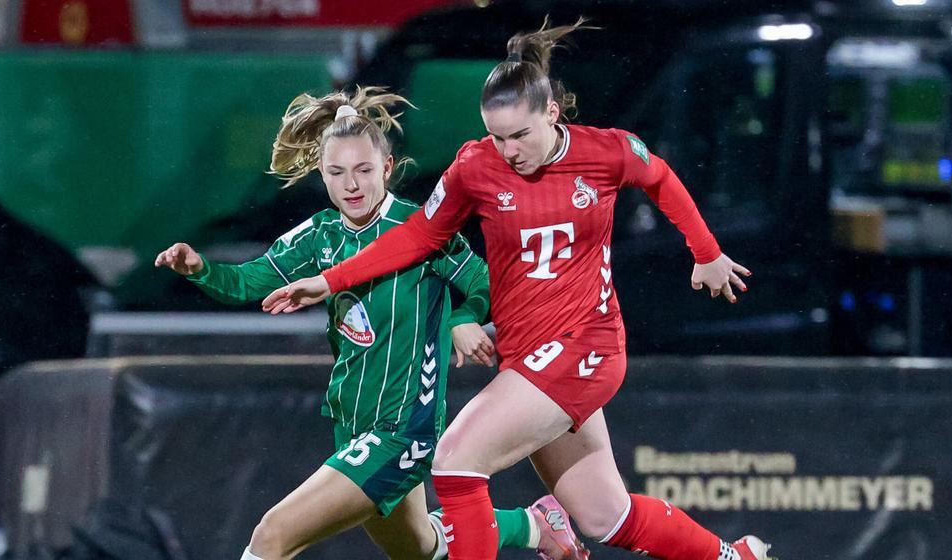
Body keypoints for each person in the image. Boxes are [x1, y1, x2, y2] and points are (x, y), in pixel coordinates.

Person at [261, 20, 772, 560]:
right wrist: (330, 280)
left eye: (520, 135)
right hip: (527, 354)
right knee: (605, 515)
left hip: (586, 345)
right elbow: (418, 236)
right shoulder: (475, 167)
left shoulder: (607, 151)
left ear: (551, 113)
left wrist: (706, 252)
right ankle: (734, 555)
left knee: (456, 459)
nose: (508, 150)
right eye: (497, 136)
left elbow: (660, 177)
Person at [155, 86, 587, 560]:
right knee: (419, 548)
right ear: (322, 174)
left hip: (402, 429)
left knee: (271, 536)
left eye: (363, 170)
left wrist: (464, 318)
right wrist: (199, 269)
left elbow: (489, 284)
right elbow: (242, 284)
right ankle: (534, 525)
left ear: (386, 167)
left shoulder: (424, 228)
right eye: (337, 172)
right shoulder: (319, 235)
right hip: (351, 422)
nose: (351, 185)